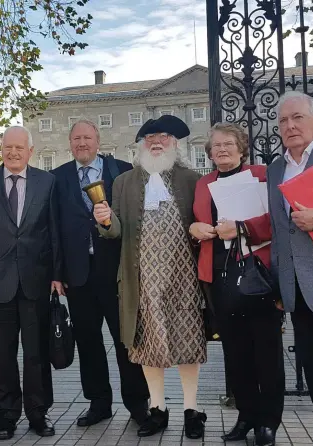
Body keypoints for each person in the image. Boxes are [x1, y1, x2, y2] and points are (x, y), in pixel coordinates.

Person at [93, 115, 207, 439]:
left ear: (174, 143)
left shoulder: (191, 179)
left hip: (184, 277)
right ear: (141, 145)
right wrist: (104, 220)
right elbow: (115, 231)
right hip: (142, 278)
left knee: (188, 343)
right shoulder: (123, 182)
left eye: (164, 137)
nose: (156, 142)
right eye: (150, 138)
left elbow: (202, 225)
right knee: (148, 346)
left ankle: (191, 409)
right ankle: (157, 408)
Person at [51, 119, 150, 428]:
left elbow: (138, 219)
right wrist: (56, 273)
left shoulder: (121, 170)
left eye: (87, 137)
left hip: (117, 272)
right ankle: (99, 403)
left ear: (98, 141)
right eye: (76, 138)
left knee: (127, 340)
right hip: (77, 276)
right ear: (70, 143)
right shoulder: (58, 178)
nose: (82, 143)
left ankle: (138, 404)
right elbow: (53, 229)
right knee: (89, 341)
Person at [191, 122, 285, 446]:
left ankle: (268, 423)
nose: (222, 149)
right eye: (216, 145)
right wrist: (195, 227)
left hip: (259, 274)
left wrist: (243, 228)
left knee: (267, 354)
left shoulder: (262, 174)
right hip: (220, 277)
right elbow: (196, 219)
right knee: (236, 354)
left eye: (228, 143)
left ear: (241, 147)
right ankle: (246, 416)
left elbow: (278, 219)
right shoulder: (204, 183)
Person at [0, 126, 63, 440]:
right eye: (7, 147)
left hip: (36, 281)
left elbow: (54, 233)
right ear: (1, 150)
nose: (12, 152)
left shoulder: (47, 183)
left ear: (30, 151)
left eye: (19, 148)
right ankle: (6, 417)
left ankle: (38, 414)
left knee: (36, 353)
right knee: (2, 354)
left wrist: (56, 275)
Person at [267, 91, 313, 446]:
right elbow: (281, 232)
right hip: (297, 288)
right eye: (283, 120)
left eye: (297, 117)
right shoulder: (276, 168)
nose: (290, 125)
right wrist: (281, 284)